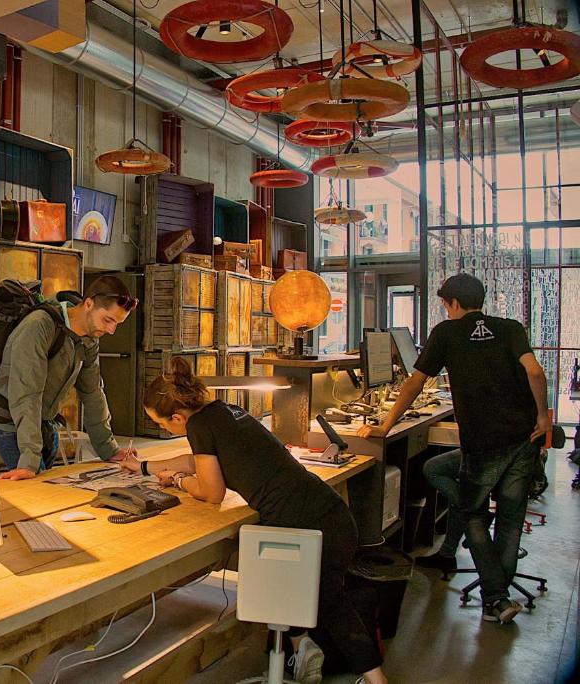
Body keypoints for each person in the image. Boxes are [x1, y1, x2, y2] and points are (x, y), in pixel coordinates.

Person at [124, 357, 387, 684]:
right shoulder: (223, 411)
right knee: (305, 593)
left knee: (329, 604)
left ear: (178, 417)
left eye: (163, 424)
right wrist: (145, 467)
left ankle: (376, 680)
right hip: (328, 513)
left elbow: (211, 492)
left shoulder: (199, 426)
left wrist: (177, 481)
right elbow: (198, 460)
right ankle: (303, 649)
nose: (164, 429)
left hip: (307, 526)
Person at [358, 273, 550, 625]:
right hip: (522, 439)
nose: (445, 311)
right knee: (509, 520)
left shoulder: (446, 334)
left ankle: (495, 597)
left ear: (454, 303)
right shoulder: (510, 328)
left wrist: (385, 425)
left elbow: (416, 381)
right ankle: (499, 596)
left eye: (445, 304)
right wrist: (543, 418)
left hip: (482, 444)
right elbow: (535, 373)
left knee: (473, 514)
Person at [0, 275, 138, 480]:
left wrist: (109, 449)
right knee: (32, 485)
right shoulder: (39, 326)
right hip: (9, 416)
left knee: (47, 484)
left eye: (117, 324)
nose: (111, 330)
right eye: (108, 320)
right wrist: (29, 461)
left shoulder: (89, 339)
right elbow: (26, 394)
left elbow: (93, 391)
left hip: (43, 418)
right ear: (88, 304)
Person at [417, 449, 465, 574]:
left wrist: (384, 429)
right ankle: (447, 555)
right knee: (459, 494)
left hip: (486, 451)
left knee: (432, 468)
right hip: (514, 450)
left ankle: (472, 511)